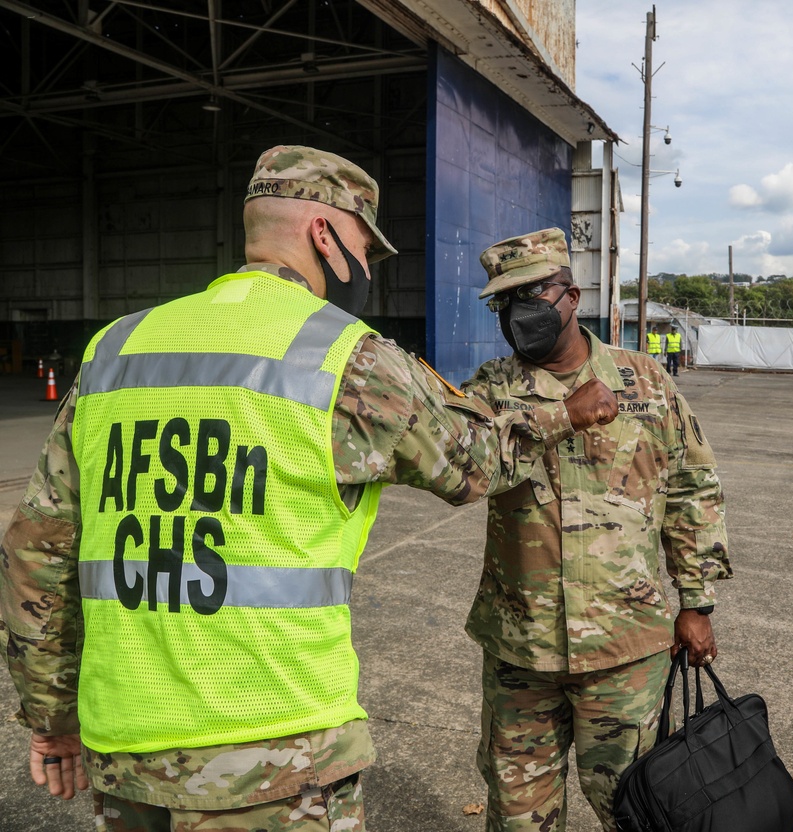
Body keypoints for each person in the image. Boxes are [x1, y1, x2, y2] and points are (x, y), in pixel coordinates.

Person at [0, 147, 619, 831]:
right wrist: (564, 413)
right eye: (362, 246)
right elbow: (474, 465)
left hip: (126, 747)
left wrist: (51, 718)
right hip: (278, 754)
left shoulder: (116, 349)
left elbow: (39, 548)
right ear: (324, 235)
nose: (363, 271)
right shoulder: (345, 355)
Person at [462, 228, 732, 832]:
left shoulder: (646, 383)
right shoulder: (490, 391)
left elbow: (694, 488)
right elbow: (465, 471)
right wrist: (560, 417)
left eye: (534, 294)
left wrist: (697, 601)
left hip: (625, 646)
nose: (518, 313)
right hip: (520, 650)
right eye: (505, 301)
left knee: (637, 809)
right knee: (517, 815)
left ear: (572, 296)